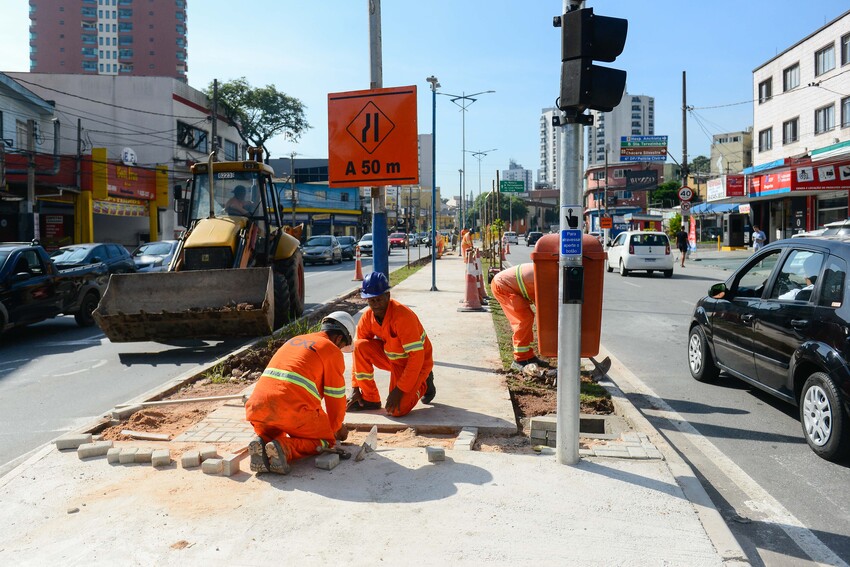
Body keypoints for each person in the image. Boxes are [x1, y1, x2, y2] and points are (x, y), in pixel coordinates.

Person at [244, 311, 355, 475]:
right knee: (325, 440)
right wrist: (335, 429)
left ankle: (262, 442)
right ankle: (284, 448)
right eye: (342, 345)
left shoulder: (294, 340)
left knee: (276, 432)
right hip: (290, 409)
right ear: (339, 338)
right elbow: (335, 398)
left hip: (258, 409)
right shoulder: (331, 349)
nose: (340, 349)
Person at [347, 272, 436, 416]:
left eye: (379, 299)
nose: (375, 304)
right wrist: (355, 387)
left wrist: (400, 390)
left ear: (387, 296)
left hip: (417, 363)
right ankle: (370, 399)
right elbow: (358, 353)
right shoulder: (367, 318)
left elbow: (416, 357)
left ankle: (424, 383)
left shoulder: (402, 317)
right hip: (393, 360)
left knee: (397, 409)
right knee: (359, 346)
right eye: (371, 300)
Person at [490, 263, 551, 372]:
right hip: (502, 286)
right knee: (523, 320)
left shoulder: (548, 272)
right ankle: (520, 359)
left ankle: (528, 356)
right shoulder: (547, 280)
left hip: (505, 284)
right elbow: (543, 306)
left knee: (527, 317)